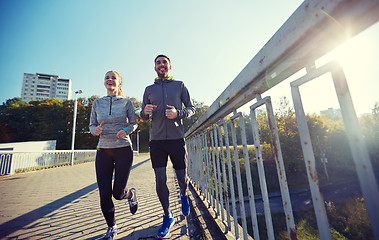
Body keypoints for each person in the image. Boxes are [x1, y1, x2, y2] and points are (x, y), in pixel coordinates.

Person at [140, 55, 195, 238]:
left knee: (181, 177)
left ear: (170, 65)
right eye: (158, 62)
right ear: (155, 67)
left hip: (176, 138)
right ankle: (167, 215)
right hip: (156, 141)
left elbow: (191, 108)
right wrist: (144, 112)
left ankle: (183, 195)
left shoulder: (179, 85)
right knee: (160, 179)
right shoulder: (148, 89)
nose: (161, 65)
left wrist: (177, 113)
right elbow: (142, 115)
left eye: (164, 62)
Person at [89, 70, 138, 240]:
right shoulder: (97, 103)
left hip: (123, 150)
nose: (109, 80)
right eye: (107, 78)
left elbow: (134, 124)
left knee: (118, 193)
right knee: (104, 194)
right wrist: (94, 130)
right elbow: (91, 124)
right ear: (104, 82)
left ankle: (130, 194)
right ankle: (112, 227)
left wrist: (126, 130)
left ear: (119, 83)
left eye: (113, 78)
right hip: (103, 150)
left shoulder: (126, 103)